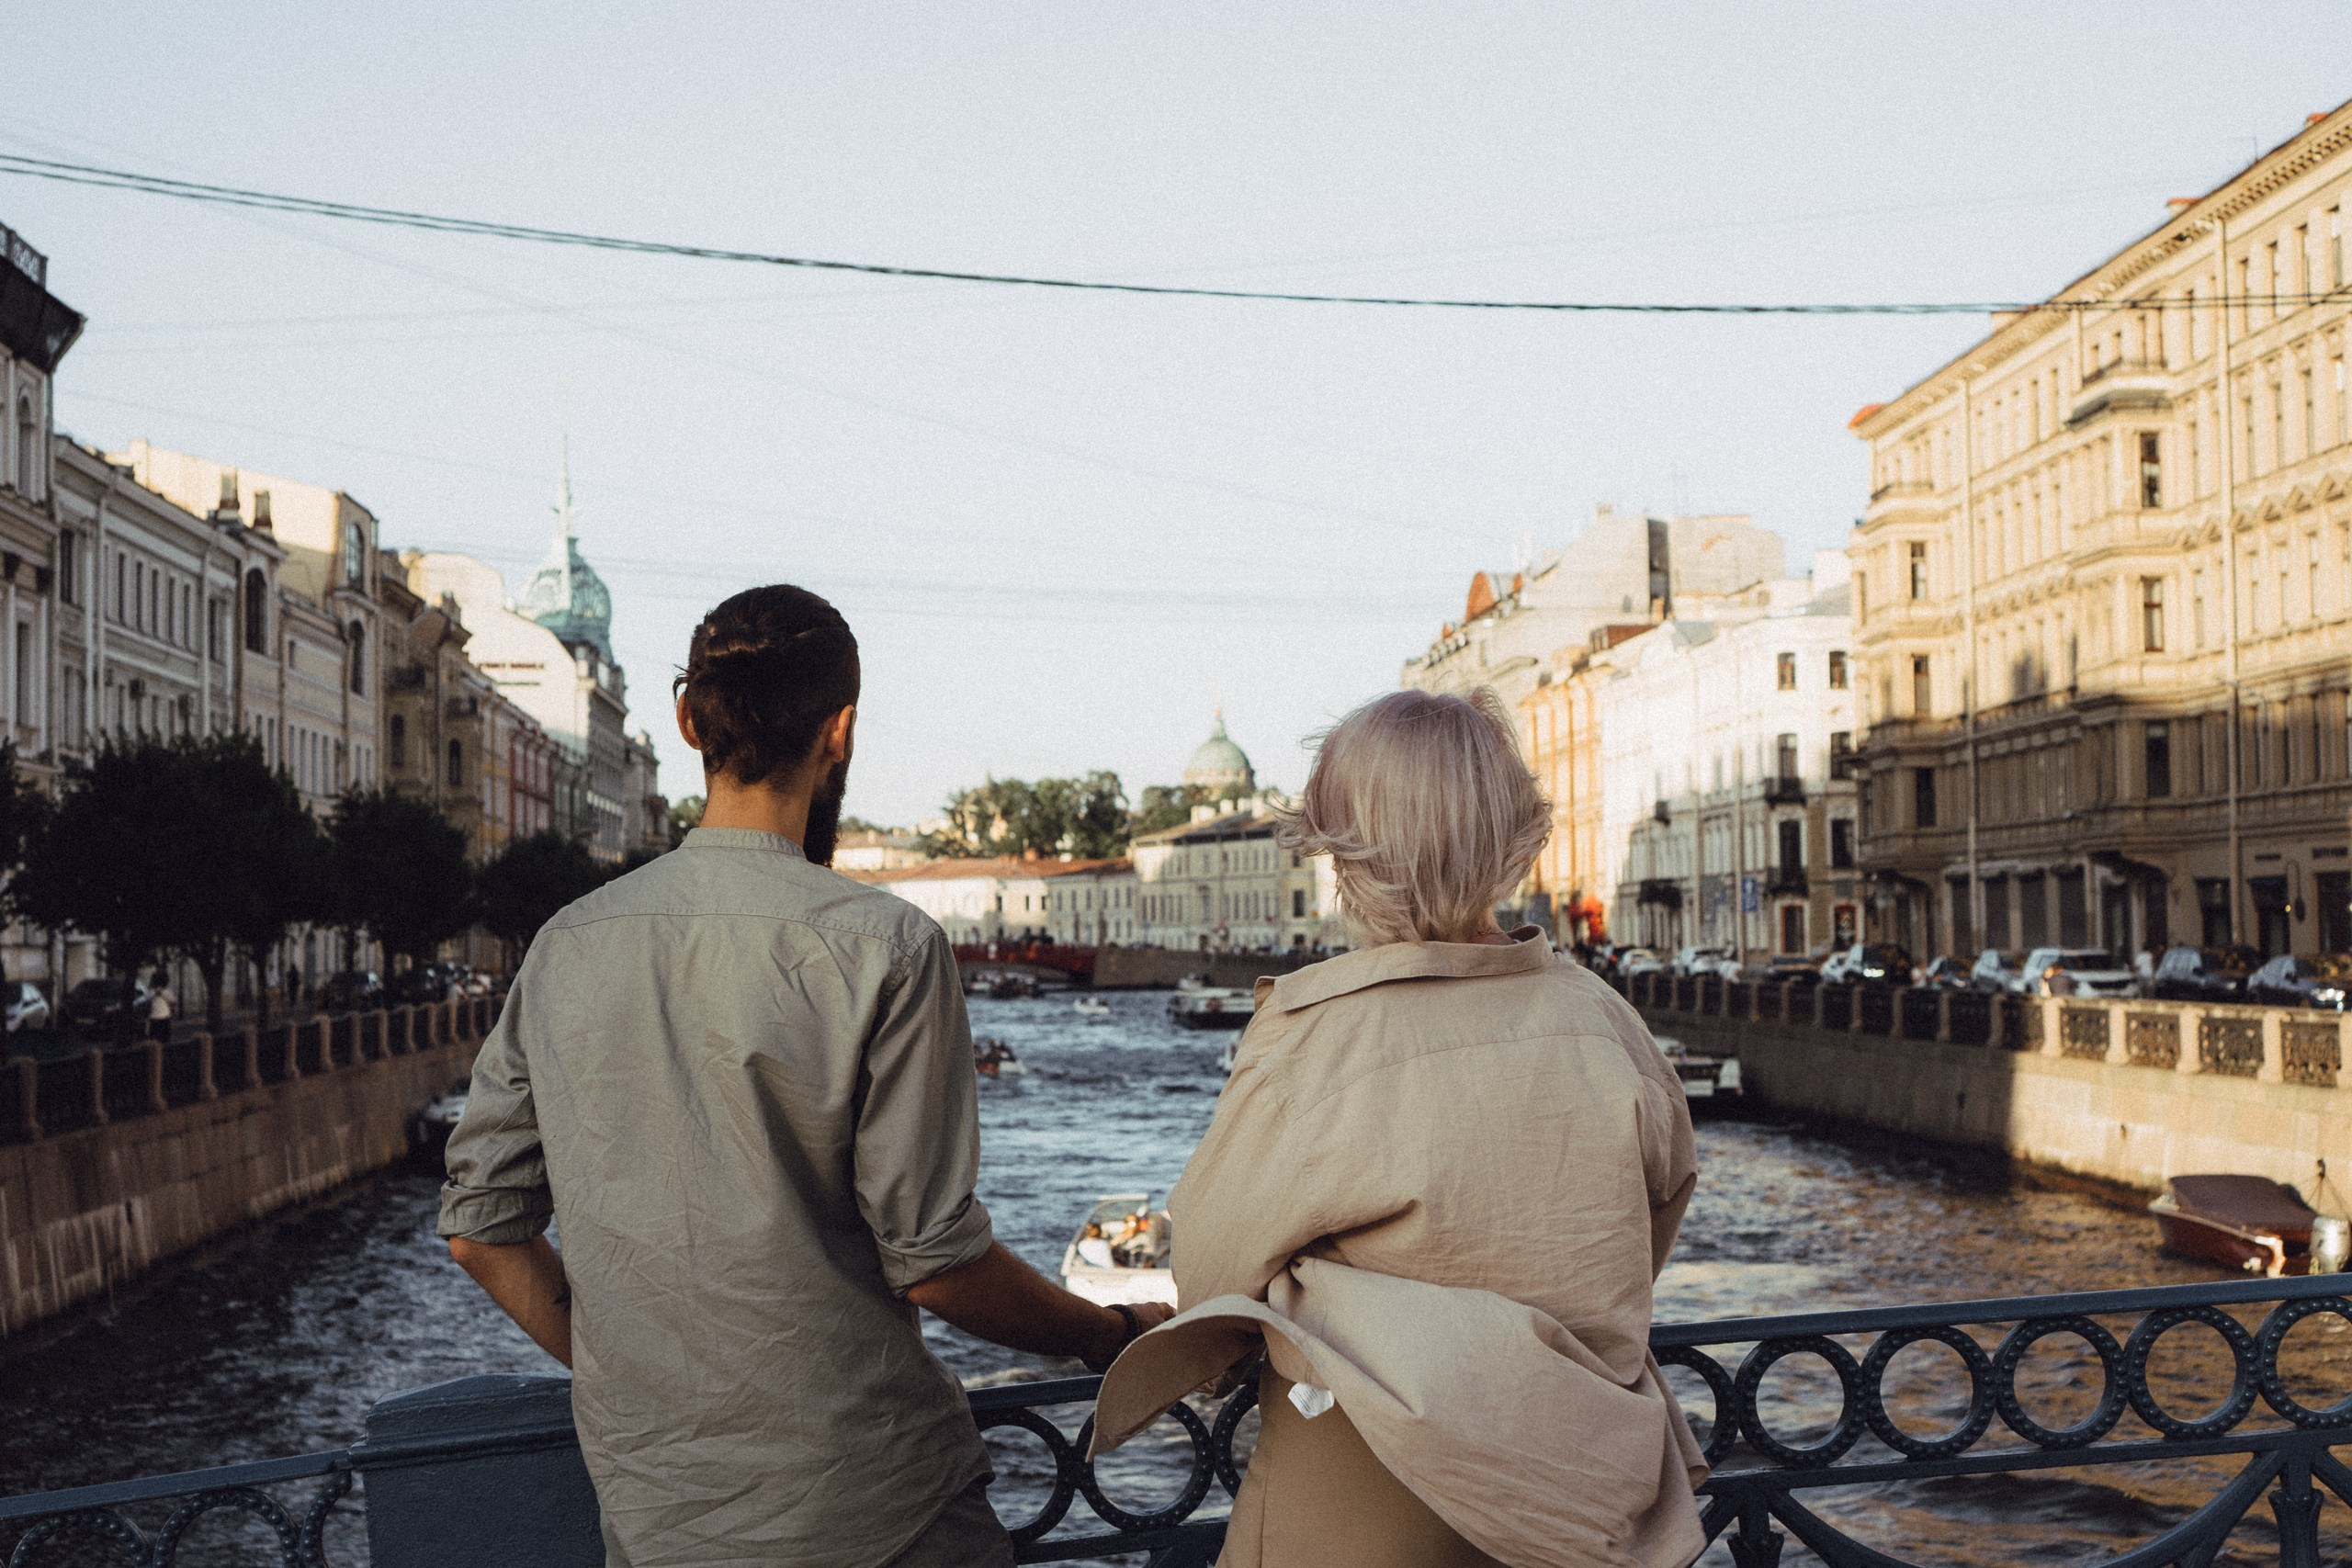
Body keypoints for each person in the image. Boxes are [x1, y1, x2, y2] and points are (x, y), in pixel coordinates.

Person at [439, 585, 1170, 1568]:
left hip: (663, 1520)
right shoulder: (887, 945)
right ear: (841, 731)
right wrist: (1104, 1331)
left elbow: (481, 1233)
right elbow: (939, 1265)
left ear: (689, 721)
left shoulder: (567, 943)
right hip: (878, 1511)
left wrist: (646, 1376)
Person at [1093, 688, 1705, 1568]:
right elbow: (1651, 1215)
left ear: (1342, 850)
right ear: (1513, 835)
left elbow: (1212, 1268)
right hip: (1578, 1484)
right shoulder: (1607, 1020)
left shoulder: (1314, 1037)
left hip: (1365, 1490)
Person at [146, 969, 176, 1043]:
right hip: (165, 1017)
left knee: (154, 1040)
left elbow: (147, 1000)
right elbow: (174, 1001)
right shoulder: (166, 991)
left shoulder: (151, 992)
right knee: (165, 1040)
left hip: (154, 1017)